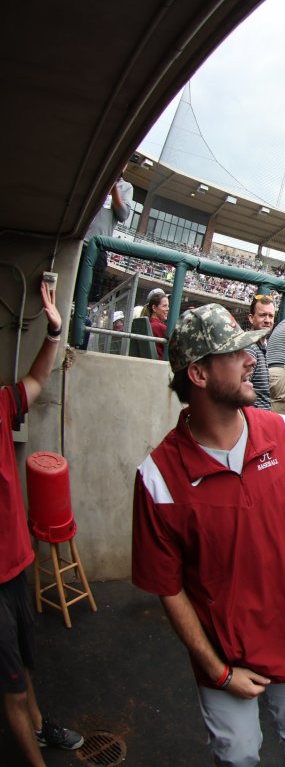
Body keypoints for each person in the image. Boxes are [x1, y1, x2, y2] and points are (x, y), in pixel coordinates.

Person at [131, 304, 285, 766]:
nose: (252, 359)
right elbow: (168, 587)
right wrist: (217, 671)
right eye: (235, 352)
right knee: (239, 755)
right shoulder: (158, 476)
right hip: (225, 654)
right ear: (198, 374)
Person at [2, 281, 84, 764]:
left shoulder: (0, 404)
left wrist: (54, 333)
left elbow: (35, 381)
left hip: (15, 570)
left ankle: (40, 728)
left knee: (25, 669)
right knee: (9, 689)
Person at [84, 171, 134, 302]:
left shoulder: (125, 187)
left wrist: (113, 189)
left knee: (89, 297)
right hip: (77, 242)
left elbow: (123, 215)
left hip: (97, 248)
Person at [246, 294, 276, 411]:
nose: (267, 320)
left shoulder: (262, 347)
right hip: (253, 420)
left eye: (271, 316)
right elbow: (240, 392)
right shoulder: (250, 347)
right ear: (251, 318)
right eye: (263, 315)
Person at [142, 287, 170, 360]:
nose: (168, 309)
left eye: (168, 306)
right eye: (164, 306)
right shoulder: (161, 327)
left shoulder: (146, 324)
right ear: (154, 308)